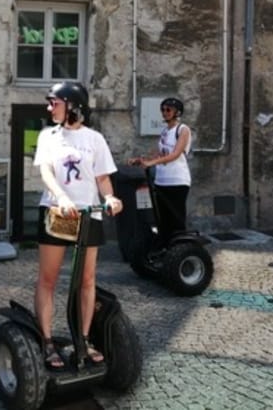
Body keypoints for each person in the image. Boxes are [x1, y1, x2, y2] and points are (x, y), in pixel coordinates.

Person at [33, 81, 123, 369]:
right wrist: (60, 196)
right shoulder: (48, 136)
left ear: (72, 106)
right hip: (57, 214)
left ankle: (83, 339)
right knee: (48, 279)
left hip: (88, 215)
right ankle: (47, 342)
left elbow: (103, 178)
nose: (49, 108)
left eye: (54, 102)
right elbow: (46, 171)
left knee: (87, 280)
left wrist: (110, 197)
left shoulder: (94, 139)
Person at [129, 97, 192, 250]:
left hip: (177, 180)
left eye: (168, 110)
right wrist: (142, 160)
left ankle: (179, 250)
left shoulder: (183, 130)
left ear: (177, 112)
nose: (164, 113)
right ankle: (166, 249)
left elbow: (175, 154)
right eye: (162, 110)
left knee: (176, 218)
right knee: (163, 218)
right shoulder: (165, 131)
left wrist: (151, 163)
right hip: (162, 180)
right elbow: (160, 153)